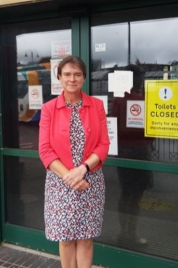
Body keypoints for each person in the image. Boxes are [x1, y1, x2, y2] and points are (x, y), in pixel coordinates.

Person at [39, 56, 110, 268]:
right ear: (59, 77)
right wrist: (70, 178)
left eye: (77, 74)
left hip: (90, 181)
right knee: (66, 238)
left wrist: (82, 169)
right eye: (67, 74)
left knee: (86, 238)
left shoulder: (96, 106)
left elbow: (103, 144)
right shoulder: (49, 108)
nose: (72, 79)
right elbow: (45, 150)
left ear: (84, 78)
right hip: (60, 183)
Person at [111, 84, 154, 247]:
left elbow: (113, 123)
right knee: (136, 195)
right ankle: (131, 234)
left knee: (126, 193)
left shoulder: (117, 100)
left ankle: (124, 233)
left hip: (123, 150)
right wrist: (150, 141)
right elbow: (150, 126)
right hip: (139, 150)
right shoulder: (140, 99)